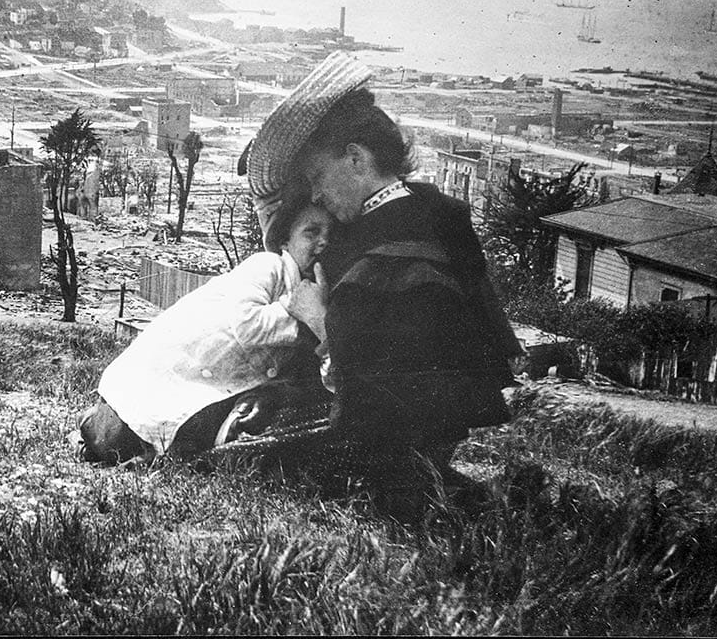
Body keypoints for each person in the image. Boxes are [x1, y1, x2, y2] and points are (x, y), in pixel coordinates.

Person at [242, 52, 518, 514]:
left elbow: (380, 385)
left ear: (355, 158)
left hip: (395, 431)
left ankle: (449, 496)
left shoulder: (392, 242)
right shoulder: (432, 210)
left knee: (259, 467)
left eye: (315, 177)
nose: (314, 195)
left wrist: (320, 320)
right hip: (437, 421)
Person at [77, 201, 335, 464]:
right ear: (285, 241)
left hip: (206, 388)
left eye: (330, 235)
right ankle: (106, 433)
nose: (324, 242)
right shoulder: (268, 266)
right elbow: (247, 324)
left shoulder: (312, 290)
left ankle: (144, 449)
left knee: (185, 426)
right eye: (311, 232)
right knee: (130, 424)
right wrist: (306, 316)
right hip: (172, 370)